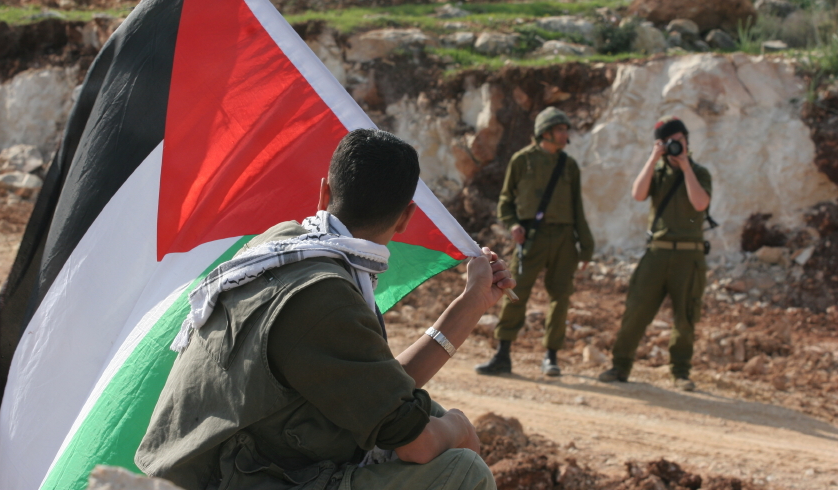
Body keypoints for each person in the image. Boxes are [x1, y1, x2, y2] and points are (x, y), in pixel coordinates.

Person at [135, 129, 515, 490]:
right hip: (230, 479)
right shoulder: (324, 294)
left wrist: (472, 302)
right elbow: (418, 445)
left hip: (219, 467)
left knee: (424, 411)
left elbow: (378, 390)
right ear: (405, 218)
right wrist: (460, 430)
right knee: (463, 474)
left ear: (324, 193)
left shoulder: (281, 247)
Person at [475, 107, 594, 377]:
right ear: (546, 132)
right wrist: (513, 224)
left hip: (564, 238)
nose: (566, 134)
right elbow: (505, 201)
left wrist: (586, 245)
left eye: (565, 130)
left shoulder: (570, 165)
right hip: (531, 237)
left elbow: (577, 209)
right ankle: (503, 354)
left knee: (560, 297)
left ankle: (551, 357)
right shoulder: (522, 160)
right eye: (561, 129)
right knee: (515, 291)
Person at [598, 116, 712, 392]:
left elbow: (700, 203)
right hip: (657, 254)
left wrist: (685, 166)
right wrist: (653, 157)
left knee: (685, 317)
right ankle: (620, 366)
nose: (675, 146)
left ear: (686, 141)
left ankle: (680, 372)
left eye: (679, 141)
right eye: (669, 142)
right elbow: (638, 194)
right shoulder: (658, 172)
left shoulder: (699, 173)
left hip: (689, 256)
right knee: (636, 310)